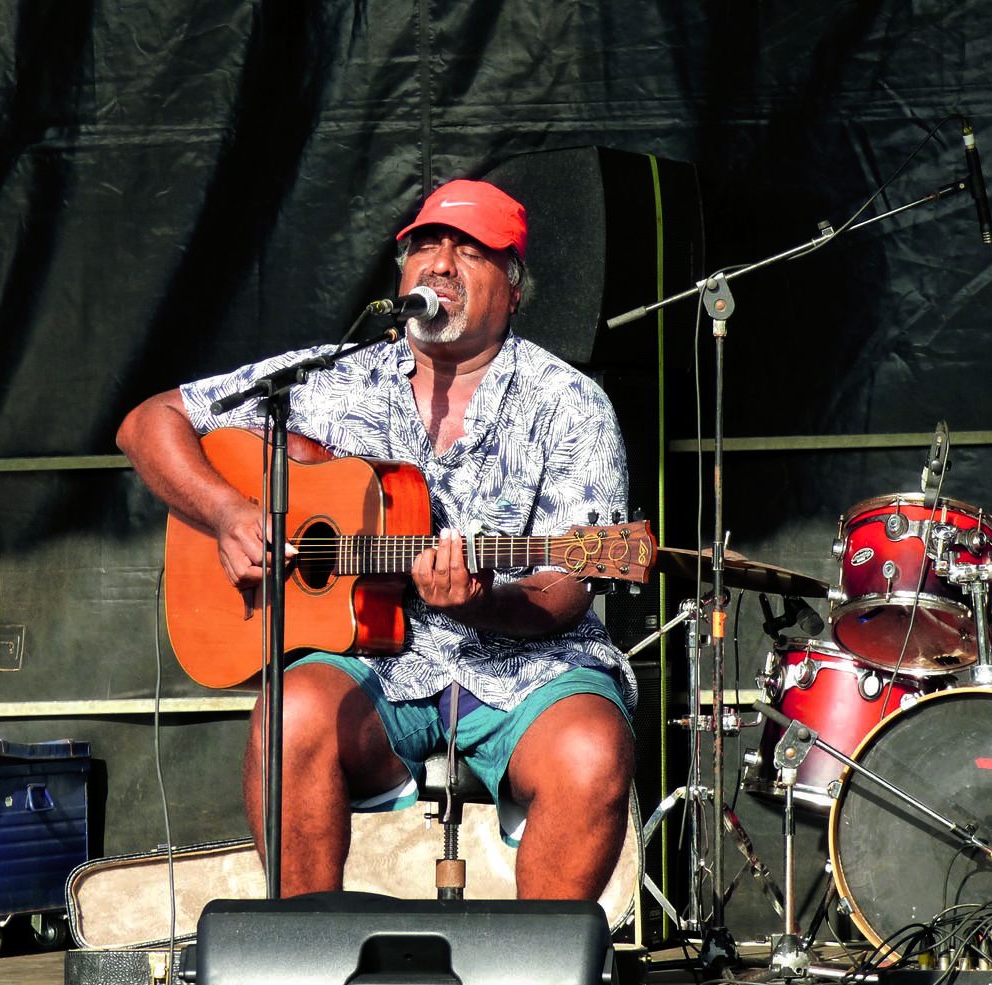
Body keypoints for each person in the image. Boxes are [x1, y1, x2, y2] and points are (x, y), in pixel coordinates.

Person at [116, 178, 636, 901]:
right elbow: (149, 422)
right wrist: (229, 514)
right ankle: (306, 963)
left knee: (591, 749)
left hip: (527, 665)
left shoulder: (570, 405)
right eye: (424, 245)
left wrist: (475, 604)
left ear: (514, 288)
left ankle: (537, 982)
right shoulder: (332, 380)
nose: (441, 263)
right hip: (372, 661)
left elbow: (566, 591)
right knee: (290, 712)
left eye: (470, 251)